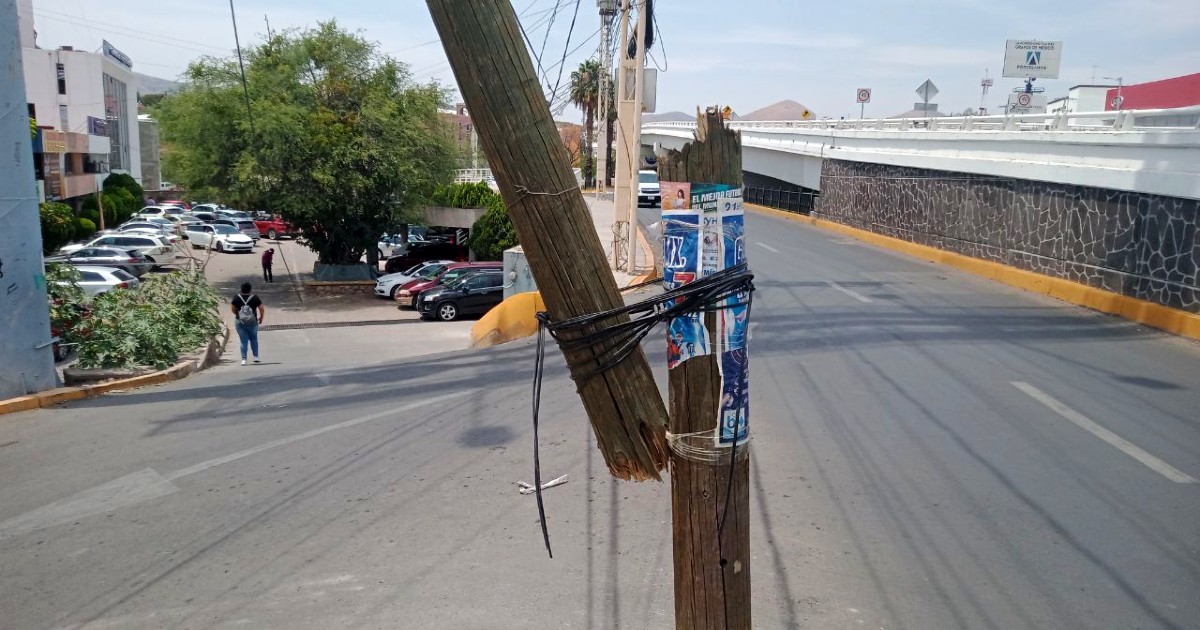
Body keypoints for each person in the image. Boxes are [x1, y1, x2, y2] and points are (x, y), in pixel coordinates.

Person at [231, 282, 265, 365]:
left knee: (243, 341)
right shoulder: (255, 298)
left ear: (241, 289)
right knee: (254, 339)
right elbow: (262, 308)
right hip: (253, 322)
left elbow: (232, 309)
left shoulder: (236, 297)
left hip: (240, 322)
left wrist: (238, 315)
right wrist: (261, 318)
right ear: (250, 289)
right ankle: (256, 357)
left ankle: (244, 359)